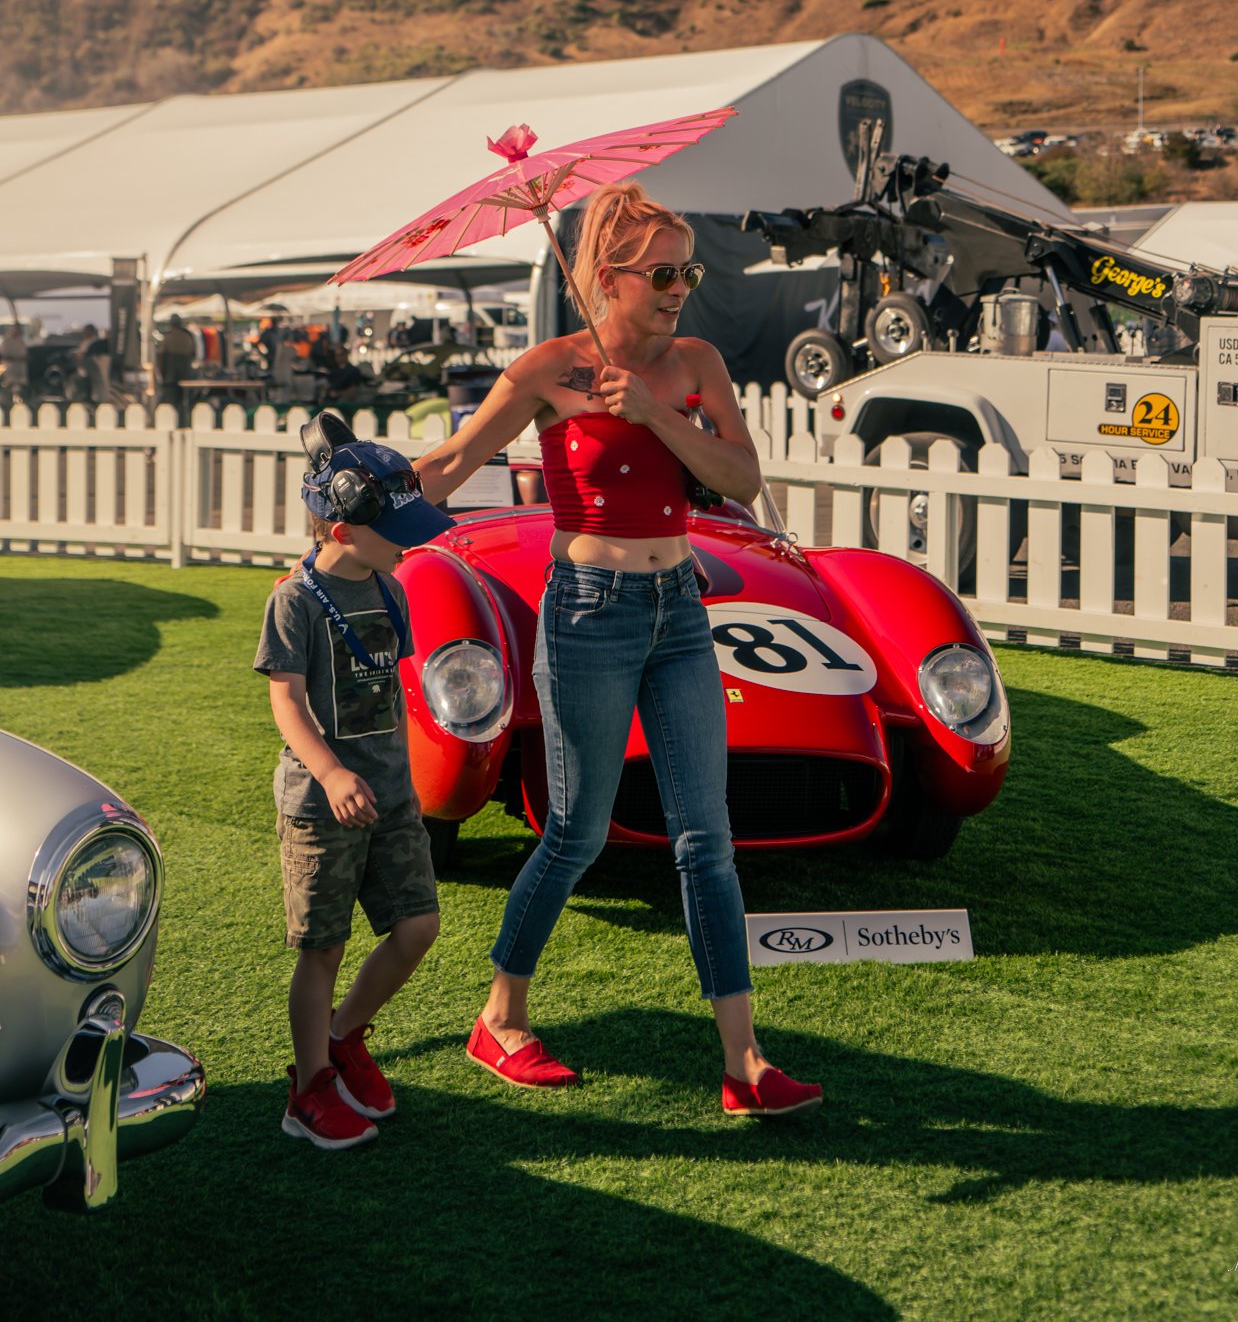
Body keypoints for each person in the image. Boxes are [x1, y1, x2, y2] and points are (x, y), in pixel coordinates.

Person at [416, 181, 822, 1117]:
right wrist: (363, 495)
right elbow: (452, 467)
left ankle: (746, 1063)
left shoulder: (693, 364)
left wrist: (652, 413)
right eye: (665, 273)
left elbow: (742, 478)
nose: (683, 287)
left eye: (691, 269)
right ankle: (500, 1017)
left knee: (706, 841)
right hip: (588, 612)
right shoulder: (545, 371)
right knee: (577, 833)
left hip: (680, 609)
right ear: (609, 278)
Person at [253, 437, 453, 1149]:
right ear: (341, 531)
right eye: (394, 533)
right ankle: (307, 1089)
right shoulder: (294, 601)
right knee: (323, 950)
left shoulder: (391, 588)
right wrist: (333, 773)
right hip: (320, 804)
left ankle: (343, 1039)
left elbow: (387, 687)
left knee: (418, 927)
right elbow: (287, 702)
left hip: (391, 797)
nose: (408, 544)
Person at [156, 314, 197, 415]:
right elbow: (193, 354)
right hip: (185, 374)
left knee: (171, 402)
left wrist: (161, 372)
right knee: (184, 401)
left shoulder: (168, 337)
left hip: (171, 376)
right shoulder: (187, 336)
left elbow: (161, 357)